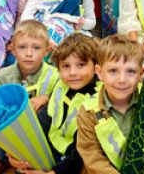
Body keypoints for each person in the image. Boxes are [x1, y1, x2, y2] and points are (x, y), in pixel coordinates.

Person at [76, 35, 144, 173]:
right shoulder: (88, 112)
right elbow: (91, 155)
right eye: (113, 71)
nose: (122, 80)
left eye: (130, 71)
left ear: (141, 73)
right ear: (99, 72)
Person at [9, 33, 100, 174]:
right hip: (52, 153)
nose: (73, 72)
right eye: (66, 66)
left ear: (96, 67)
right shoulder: (60, 87)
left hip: (75, 163)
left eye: (81, 65)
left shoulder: (97, 100)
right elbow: (43, 121)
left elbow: (82, 154)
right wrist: (20, 153)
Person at [0, 19, 60, 173]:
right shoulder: (2, 76)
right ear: (12, 49)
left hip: (39, 139)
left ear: (46, 52)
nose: (28, 53)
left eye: (36, 48)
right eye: (22, 47)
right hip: (6, 136)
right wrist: (9, 149)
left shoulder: (55, 76)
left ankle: (9, 161)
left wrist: (46, 98)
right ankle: (7, 159)